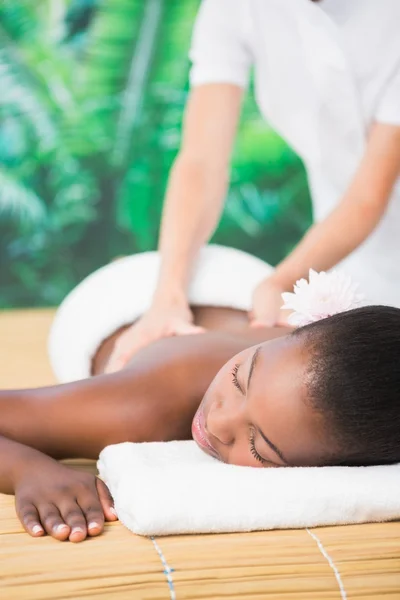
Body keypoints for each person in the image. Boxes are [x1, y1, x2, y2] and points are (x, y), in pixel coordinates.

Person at [105, 0, 400, 374]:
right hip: (347, 250)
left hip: (360, 221)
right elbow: (202, 160)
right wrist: (168, 295)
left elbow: (368, 196)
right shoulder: (236, 7)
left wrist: (283, 281)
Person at [1, 297, 400, 543]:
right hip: (121, 295)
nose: (219, 421)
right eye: (239, 379)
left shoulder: (300, 368)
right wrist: (28, 469)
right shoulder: (141, 408)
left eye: (259, 445)